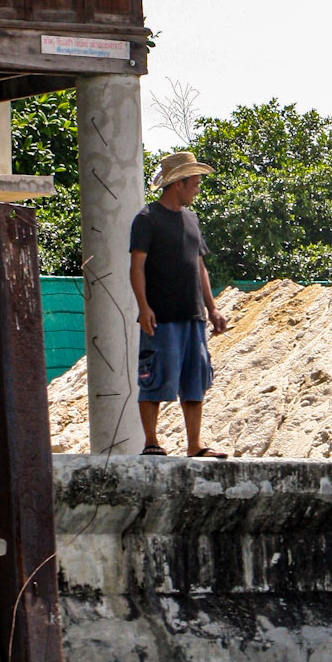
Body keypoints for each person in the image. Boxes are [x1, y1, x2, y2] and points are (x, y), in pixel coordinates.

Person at [129, 150, 229, 458]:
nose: (198, 188)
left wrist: (212, 308)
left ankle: (195, 445)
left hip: (193, 316)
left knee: (195, 381)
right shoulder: (147, 220)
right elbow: (137, 267)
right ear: (178, 184)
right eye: (195, 183)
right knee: (154, 377)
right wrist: (143, 307)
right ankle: (151, 442)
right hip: (162, 317)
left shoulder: (191, 219)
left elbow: (199, 267)